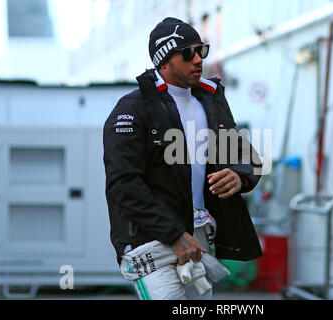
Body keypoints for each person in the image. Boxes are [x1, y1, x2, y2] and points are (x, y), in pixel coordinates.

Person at [103, 17, 262, 300]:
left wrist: (238, 174)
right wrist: (173, 234)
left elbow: (246, 157)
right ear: (164, 60)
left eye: (202, 50)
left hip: (198, 238)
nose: (198, 59)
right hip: (150, 241)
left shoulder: (210, 100)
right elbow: (124, 184)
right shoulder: (132, 108)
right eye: (188, 53)